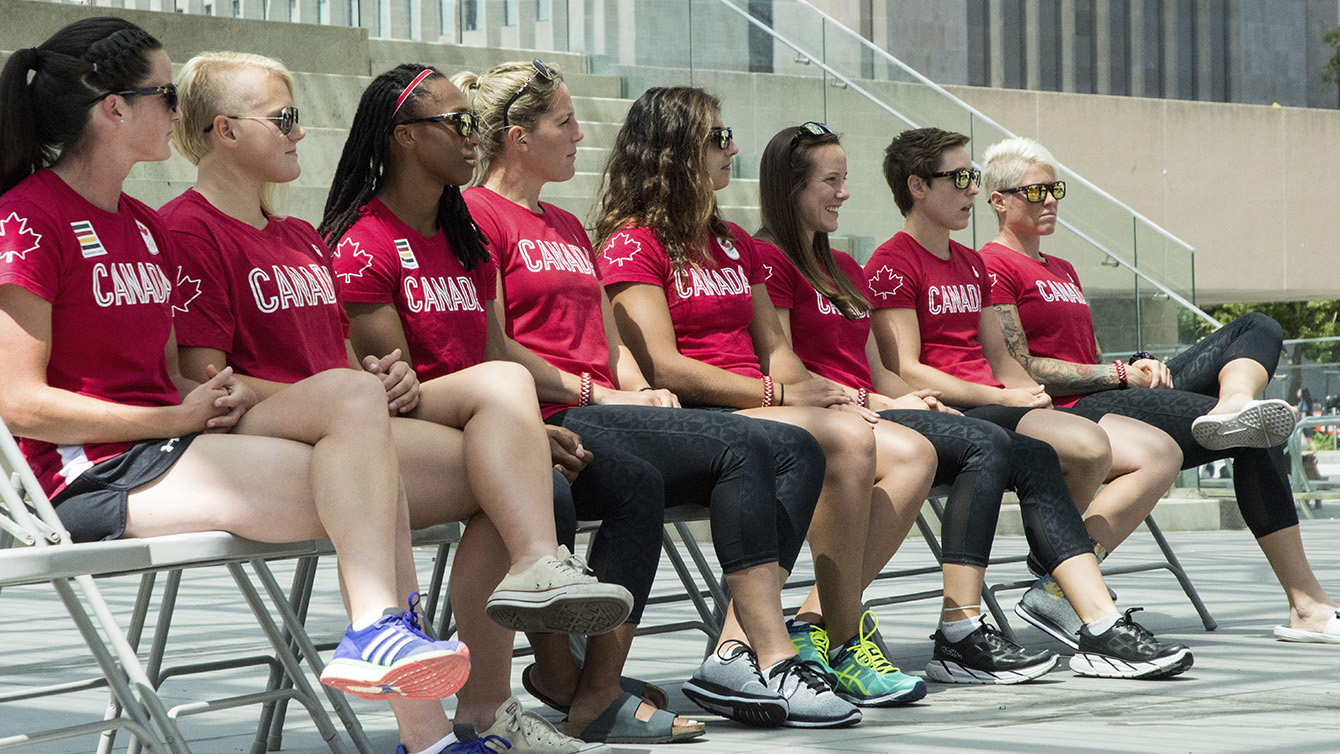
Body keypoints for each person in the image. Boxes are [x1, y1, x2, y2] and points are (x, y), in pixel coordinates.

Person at [0, 17, 472, 739]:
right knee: (370, 487)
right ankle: (421, 721)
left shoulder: (142, 225)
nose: (176, 110)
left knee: (356, 407)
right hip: (85, 477)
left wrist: (206, 399)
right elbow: (21, 404)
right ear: (114, 108)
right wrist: (174, 418)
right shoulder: (27, 219)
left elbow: (162, 376)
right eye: (164, 93)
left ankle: (387, 648)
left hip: (165, 449)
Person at [162, 52, 632, 753]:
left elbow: (343, 364)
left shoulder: (296, 238)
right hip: (268, 437)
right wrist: (343, 394)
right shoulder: (186, 229)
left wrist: (383, 382)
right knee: (506, 468)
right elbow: (208, 383)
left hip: (345, 425)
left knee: (507, 412)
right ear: (226, 131)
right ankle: (448, 728)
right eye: (284, 118)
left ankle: (502, 665)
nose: (299, 132)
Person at [319, 60, 710, 745]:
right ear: (403, 137)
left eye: (477, 121)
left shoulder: (463, 239)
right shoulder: (366, 243)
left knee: (629, 483)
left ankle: (560, 694)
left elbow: (497, 353)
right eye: (457, 122)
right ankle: (522, 686)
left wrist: (521, 431)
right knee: (537, 488)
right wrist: (524, 433)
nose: (474, 135)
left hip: (487, 423)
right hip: (409, 435)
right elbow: (392, 394)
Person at [450, 60, 845, 731]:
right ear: (518, 137)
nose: (580, 133)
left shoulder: (567, 225)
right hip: (543, 415)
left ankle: (685, 663)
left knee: (789, 447)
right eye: (564, 121)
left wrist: (638, 387)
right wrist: (601, 395)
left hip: (602, 407)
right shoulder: (477, 217)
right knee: (746, 449)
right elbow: (495, 349)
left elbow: (615, 345)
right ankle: (758, 657)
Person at [752, 120, 1184, 683]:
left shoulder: (853, 268)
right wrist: (912, 399)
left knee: (1117, 446)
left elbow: (884, 367)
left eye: (974, 175)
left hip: (898, 408)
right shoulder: (857, 260)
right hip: (848, 415)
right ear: (917, 186)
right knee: (1004, 446)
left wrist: (926, 397)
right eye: (960, 177)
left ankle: (1078, 609)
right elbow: (842, 366)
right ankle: (958, 627)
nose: (972, 189)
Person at [593, 85, 948, 713]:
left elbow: (775, 348)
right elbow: (664, 366)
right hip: (699, 412)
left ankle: (817, 635)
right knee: (846, 437)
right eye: (718, 138)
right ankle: (816, 640)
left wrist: (818, 392)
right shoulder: (634, 241)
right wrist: (783, 395)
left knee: (913, 452)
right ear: (676, 150)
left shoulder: (731, 240)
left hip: (759, 401)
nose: (732, 149)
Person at [979, 135, 1338, 644]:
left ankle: (1235, 403)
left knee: (1256, 326)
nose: (1051, 199)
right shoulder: (991, 267)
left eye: (1056, 188)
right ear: (999, 199)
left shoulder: (1062, 269)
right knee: (1256, 439)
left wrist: (1131, 367)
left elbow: (1081, 355)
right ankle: (1307, 605)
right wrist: (1120, 374)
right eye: (1036, 192)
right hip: (1068, 413)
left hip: (1105, 393)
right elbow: (1020, 367)